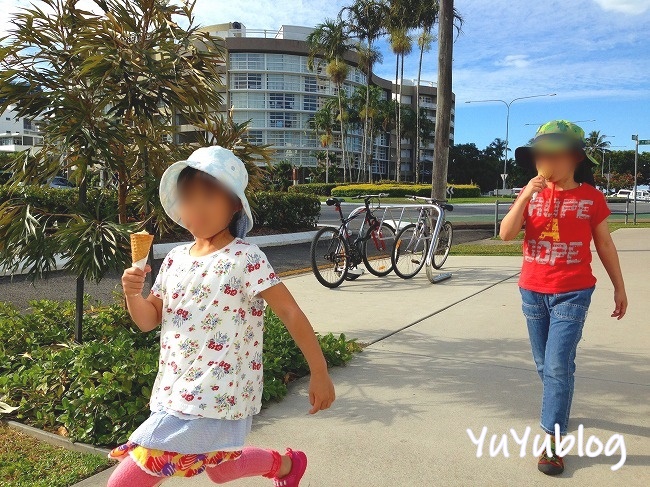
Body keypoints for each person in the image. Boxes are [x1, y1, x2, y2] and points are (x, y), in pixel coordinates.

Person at [108, 146, 335, 486]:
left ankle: (286, 465)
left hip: (218, 392)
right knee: (222, 470)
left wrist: (319, 371)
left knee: (122, 482)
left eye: (209, 197)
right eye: (187, 198)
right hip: (173, 390)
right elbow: (148, 319)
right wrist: (131, 294)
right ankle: (287, 465)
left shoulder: (245, 258)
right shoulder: (174, 260)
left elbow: (289, 311)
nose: (196, 208)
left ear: (233, 205)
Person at [500, 121, 627, 475]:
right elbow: (506, 235)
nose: (545, 161)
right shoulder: (531, 193)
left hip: (572, 292)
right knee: (547, 366)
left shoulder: (590, 198)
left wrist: (619, 286)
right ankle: (560, 400)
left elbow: (604, 243)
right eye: (541, 154)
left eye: (553, 154)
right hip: (532, 290)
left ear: (572, 157)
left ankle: (553, 442)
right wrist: (526, 194)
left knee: (556, 366)